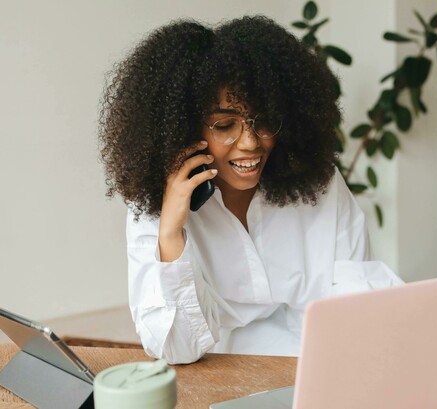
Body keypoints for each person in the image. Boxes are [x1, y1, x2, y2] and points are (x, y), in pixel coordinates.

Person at [99, 15, 402, 364]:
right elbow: (176, 350)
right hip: (212, 376)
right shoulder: (159, 204)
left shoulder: (318, 184)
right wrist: (170, 235)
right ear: (183, 127)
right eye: (225, 125)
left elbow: (355, 314)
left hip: (314, 370)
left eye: (265, 121)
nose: (250, 143)